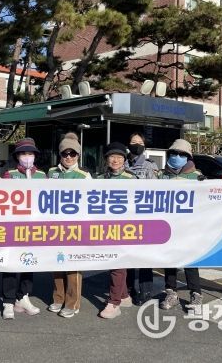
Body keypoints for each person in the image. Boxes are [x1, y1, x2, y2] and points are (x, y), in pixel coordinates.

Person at [1, 137, 46, 319]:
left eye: (30, 153)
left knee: (30, 261)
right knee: (11, 263)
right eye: (23, 153)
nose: (27, 157)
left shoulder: (42, 176)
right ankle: (8, 301)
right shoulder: (9, 174)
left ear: (35, 156)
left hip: (34, 226)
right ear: (17, 156)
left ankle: (23, 296)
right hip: (13, 225)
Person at [47, 132, 91, 318]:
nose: (68, 157)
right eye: (65, 153)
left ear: (78, 155)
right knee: (56, 262)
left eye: (72, 153)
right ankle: (58, 298)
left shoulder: (84, 175)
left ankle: (73, 303)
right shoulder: (51, 172)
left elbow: (90, 201)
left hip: (75, 226)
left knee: (73, 264)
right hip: (54, 225)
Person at [157, 138, 204, 310]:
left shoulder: (197, 177)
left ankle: (196, 294)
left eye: (182, 154)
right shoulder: (161, 175)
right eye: (174, 153)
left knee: (190, 260)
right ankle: (171, 293)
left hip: (189, 226)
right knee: (170, 259)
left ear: (188, 157)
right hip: (167, 225)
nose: (177, 157)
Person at [97, 142, 137, 319]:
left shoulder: (131, 179)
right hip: (103, 227)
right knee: (112, 262)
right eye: (112, 156)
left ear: (124, 160)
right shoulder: (99, 179)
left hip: (124, 227)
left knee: (117, 263)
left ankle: (114, 302)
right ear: (106, 159)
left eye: (119, 157)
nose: (115, 160)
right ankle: (124, 296)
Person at [125, 132, 158, 306]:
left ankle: (146, 290)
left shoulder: (149, 166)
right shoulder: (122, 163)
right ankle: (129, 288)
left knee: (145, 256)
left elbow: (155, 191)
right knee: (128, 255)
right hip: (125, 216)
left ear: (144, 146)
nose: (136, 145)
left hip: (144, 216)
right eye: (133, 142)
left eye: (139, 142)